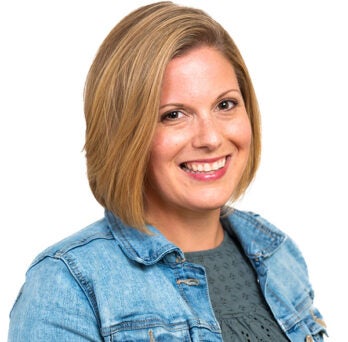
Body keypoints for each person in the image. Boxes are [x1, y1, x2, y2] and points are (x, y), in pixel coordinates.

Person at [8, 1, 327, 341]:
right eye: (174, 114)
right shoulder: (68, 285)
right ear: (124, 133)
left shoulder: (277, 255)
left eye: (225, 105)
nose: (211, 138)